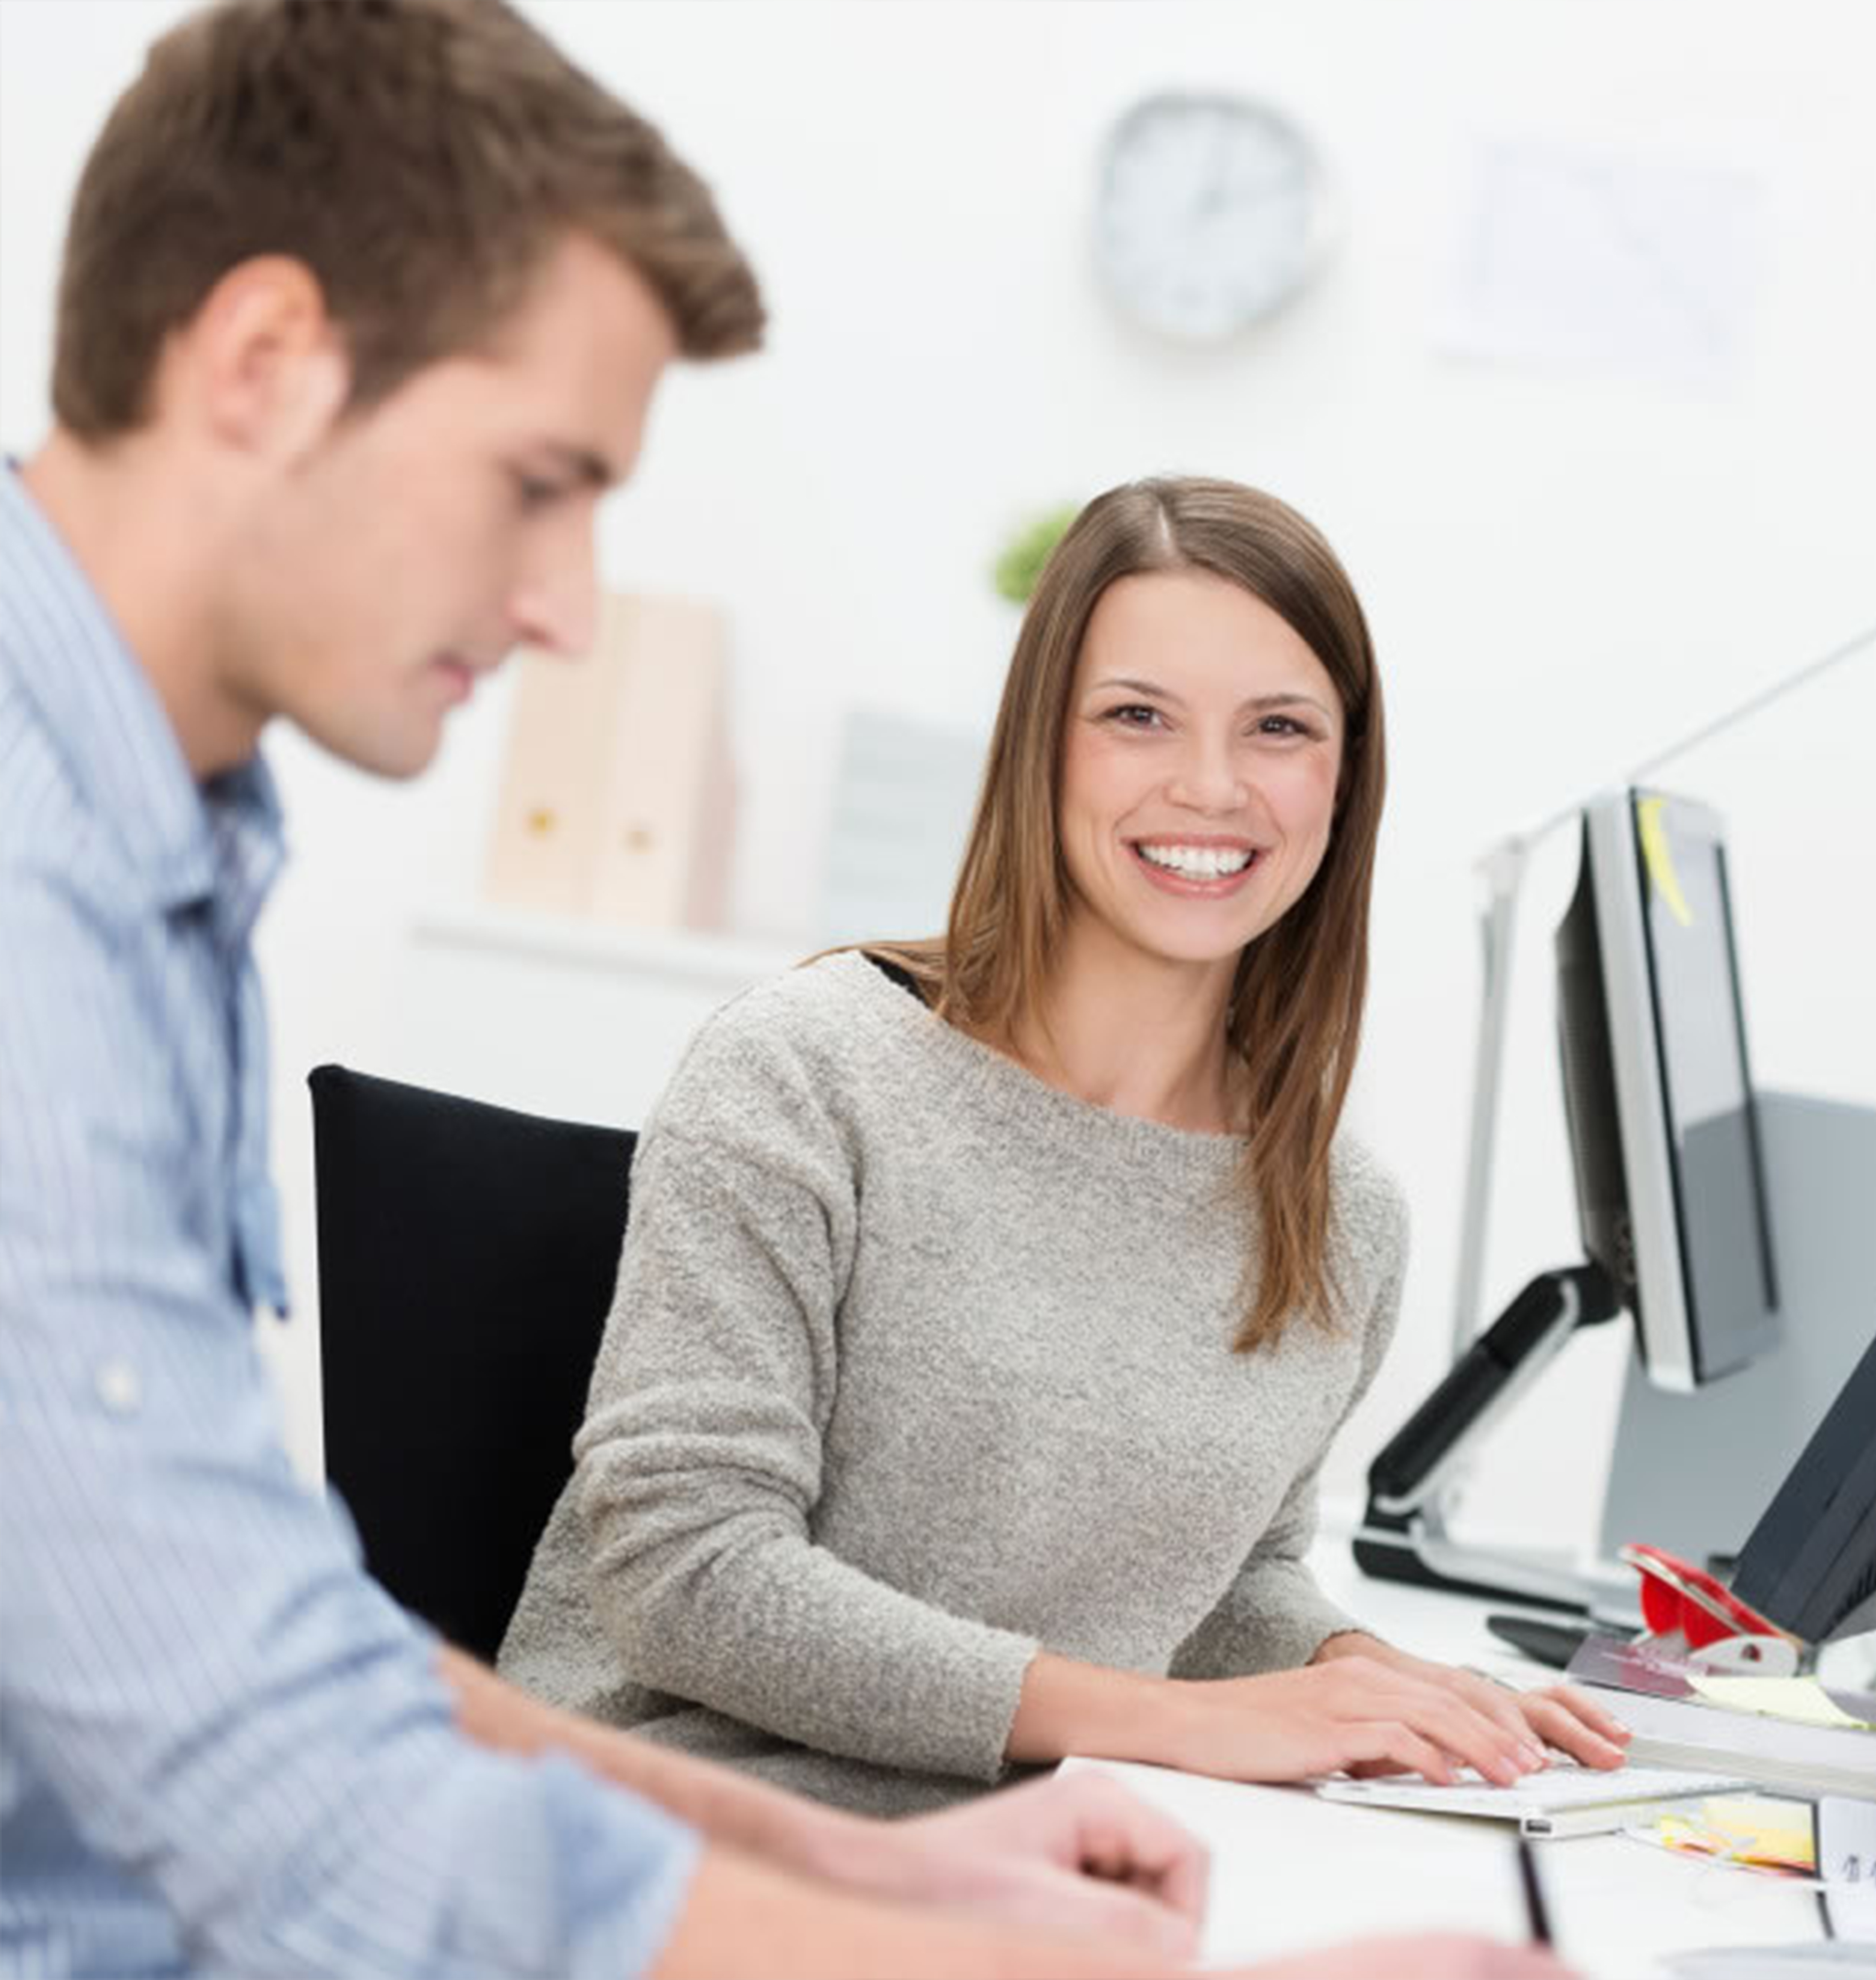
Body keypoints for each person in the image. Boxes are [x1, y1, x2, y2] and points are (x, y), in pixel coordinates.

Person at [0, 5, 1557, 1976]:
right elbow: (268, 1771)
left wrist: (911, 1878)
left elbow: (280, 1637)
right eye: (537, 479)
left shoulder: (159, 861)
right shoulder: (36, 889)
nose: (571, 602)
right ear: (263, 361)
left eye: (1278, 731)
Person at [496, 476, 1633, 1808]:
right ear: (1042, 743)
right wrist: (1177, 1726)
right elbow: (686, 1577)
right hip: (680, 1834)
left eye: (1279, 728)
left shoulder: (1336, 1215)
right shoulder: (806, 1072)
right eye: (1138, 717)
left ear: (1344, 780)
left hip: (1029, 1851)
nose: (1210, 787)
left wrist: (1375, 1681)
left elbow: (1226, 1583)